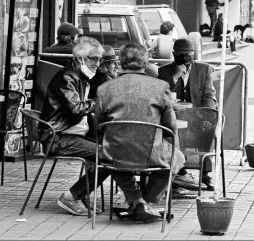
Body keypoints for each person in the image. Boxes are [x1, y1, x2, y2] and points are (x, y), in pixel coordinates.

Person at [94, 43, 185, 221]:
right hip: (151, 151)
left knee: (111, 159)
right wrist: (165, 142)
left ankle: (137, 201)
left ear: (121, 62)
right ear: (145, 62)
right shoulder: (160, 86)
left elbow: (99, 123)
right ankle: (147, 202)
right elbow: (171, 126)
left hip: (115, 151)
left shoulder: (104, 88)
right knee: (177, 158)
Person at [39, 37, 107, 217]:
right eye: (94, 58)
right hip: (57, 137)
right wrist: (98, 102)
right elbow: (76, 109)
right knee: (108, 156)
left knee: (111, 151)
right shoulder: (67, 77)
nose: (98, 64)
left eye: (100, 59)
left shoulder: (80, 77)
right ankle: (72, 196)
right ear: (79, 59)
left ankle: (80, 195)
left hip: (71, 134)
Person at [158, 38, 218, 192]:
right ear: (174, 54)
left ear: (194, 53)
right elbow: (160, 95)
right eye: (181, 53)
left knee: (207, 128)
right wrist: (176, 76)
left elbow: (209, 96)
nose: (185, 56)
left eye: (188, 53)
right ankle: (178, 173)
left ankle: (205, 175)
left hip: (197, 114)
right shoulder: (164, 71)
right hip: (172, 116)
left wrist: (208, 115)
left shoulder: (204, 69)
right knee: (167, 132)